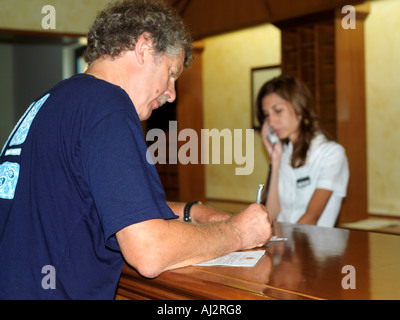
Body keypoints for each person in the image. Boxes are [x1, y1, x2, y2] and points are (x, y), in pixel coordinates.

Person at [0, 0, 271, 300]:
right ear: (144, 47)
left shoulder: (54, 100)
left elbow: (105, 203)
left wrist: (193, 212)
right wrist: (239, 232)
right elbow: (149, 251)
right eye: (170, 73)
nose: (171, 94)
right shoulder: (109, 106)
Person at [256, 74, 349, 228]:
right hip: (283, 244)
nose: (271, 122)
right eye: (267, 115)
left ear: (299, 107)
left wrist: (284, 246)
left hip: (312, 247)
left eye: (278, 111)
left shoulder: (331, 153)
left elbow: (311, 217)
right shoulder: (284, 154)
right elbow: (271, 214)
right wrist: (275, 161)